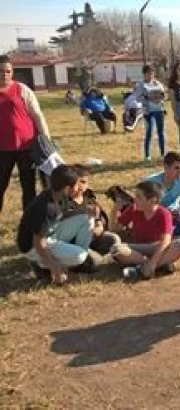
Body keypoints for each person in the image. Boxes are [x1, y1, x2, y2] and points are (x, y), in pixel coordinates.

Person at [16, 165, 92, 284]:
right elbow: (38, 240)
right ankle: (42, 264)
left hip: (50, 235)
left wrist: (92, 210)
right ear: (67, 188)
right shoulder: (47, 207)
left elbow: (71, 214)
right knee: (80, 256)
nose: (79, 188)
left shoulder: (58, 194)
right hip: (33, 247)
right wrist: (54, 267)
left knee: (87, 218)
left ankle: (73, 264)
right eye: (77, 185)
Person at [0, 54, 51, 215]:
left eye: (8, 71)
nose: (5, 74)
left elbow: (37, 115)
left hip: (27, 146)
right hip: (2, 150)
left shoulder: (22, 89)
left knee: (28, 186)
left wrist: (46, 139)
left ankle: (29, 220)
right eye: (1, 71)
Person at [110, 181, 180, 280]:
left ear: (152, 200)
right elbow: (115, 228)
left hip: (157, 247)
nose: (134, 199)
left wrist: (153, 262)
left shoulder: (164, 213)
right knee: (116, 249)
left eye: (139, 197)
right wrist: (114, 210)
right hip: (137, 249)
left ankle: (142, 268)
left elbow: (166, 240)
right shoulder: (133, 209)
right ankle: (157, 265)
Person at [66, 164, 121, 266]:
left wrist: (96, 229)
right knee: (96, 262)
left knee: (114, 239)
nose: (80, 186)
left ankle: (109, 258)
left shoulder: (90, 201)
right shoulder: (64, 203)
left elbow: (99, 225)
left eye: (83, 182)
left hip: (92, 239)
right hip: (73, 244)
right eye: (77, 182)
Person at [134, 64, 166, 161]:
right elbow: (137, 98)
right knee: (149, 132)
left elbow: (164, 95)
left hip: (159, 110)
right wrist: (148, 98)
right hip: (148, 111)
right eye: (148, 73)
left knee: (161, 132)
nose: (150, 75)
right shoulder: (141, 85)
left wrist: (161, 97)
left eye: (152, 73)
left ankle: (162, 154)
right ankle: (147, 155)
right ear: (144, 74)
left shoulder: (157, 83)